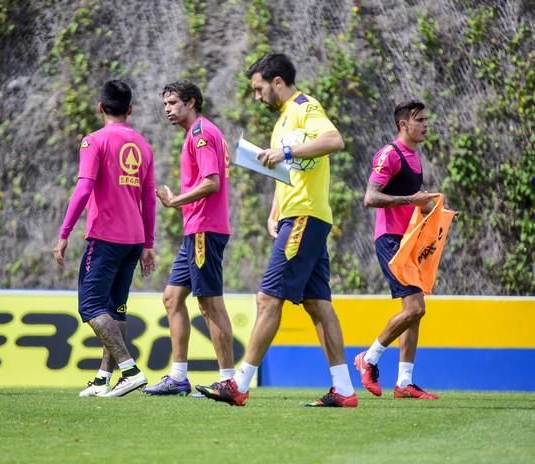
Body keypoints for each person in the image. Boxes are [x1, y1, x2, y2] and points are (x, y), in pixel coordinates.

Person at [196, 53, 358, 407]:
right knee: (318, 305)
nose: (257, 96)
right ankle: (344, 389)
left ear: (277, 82)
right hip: (296, 215)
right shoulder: (283, 119)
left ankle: (238, 385)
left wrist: (285, 151)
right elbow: (288, 172)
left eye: (259, 89)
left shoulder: (304, 107)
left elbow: (334, 141)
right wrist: (274, 209)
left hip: (305, 216)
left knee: (268, 298)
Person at [53, 80, 156, 397]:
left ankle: (130, 369)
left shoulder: (94, 141)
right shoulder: (143, 145)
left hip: (105, 237)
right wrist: (148, 244)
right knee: (115, 310)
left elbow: (83, 188)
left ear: (100, 107)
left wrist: (64, 234)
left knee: (91, 306)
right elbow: (148, 200)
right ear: (130, 110)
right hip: (134, 239)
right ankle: (103, 378)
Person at [142, 80, 235, 396]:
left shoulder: (200, 134)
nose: (167, 109)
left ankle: (228, 380)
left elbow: (212, 182)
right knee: (171, 297)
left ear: (191, 102)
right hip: (195, 230)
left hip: (204, 229)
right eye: (165, 104)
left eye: (172, 102)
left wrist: (176, 200)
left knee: (209, 304)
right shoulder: (200, 133)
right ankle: (178, 377)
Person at [355, 99, 440, 399]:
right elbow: (370, 198)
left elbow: (415, 199)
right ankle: (369, 358)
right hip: (390, 239)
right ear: (404, 124)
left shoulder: (415, 157)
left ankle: (404, 382)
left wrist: (437, 210)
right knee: (417, 307)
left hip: (409, 240)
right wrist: (410, 200)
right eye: (420, 120)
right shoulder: (389, 155)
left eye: (426, 119)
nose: (426, 124)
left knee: (413, 313)